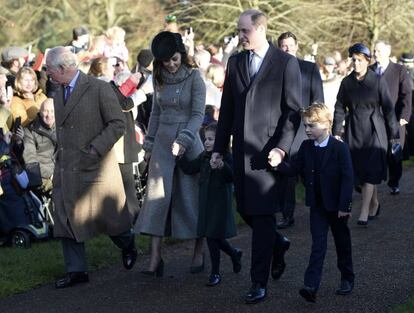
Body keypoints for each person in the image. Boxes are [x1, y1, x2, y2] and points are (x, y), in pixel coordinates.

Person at [211, 9, 302, 304]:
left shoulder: (286, 63)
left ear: (261, 30)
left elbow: (292, 112)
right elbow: (226, 111)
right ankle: (279, 243)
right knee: (246, 211)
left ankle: (258, 281)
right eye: (238, 31)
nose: (240, 36)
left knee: (262, 217)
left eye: (244, 31)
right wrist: (217, 149)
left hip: (268, 153)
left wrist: (281, 148)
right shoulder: (236, 62)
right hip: (240, 153)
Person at [45, 46, 137, 289]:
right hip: (67, 167)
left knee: (110, 221)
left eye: (49, 69)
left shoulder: (98, 88)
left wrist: (96, 149)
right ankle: (77, 271)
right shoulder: (58, 91)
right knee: (66, 217)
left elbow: (118, 124)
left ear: (63, 68)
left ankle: (128, 243)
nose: (47, 74)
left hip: (95, 167)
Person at [135, 31, 206, 276]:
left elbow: (198, 115)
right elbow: (155, 113)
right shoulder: (158, 78)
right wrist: (149, 146)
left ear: (182, 55)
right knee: (156, 199)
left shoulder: (195, 78)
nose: (171, 65)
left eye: (175, 59)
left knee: (191, 198)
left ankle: (199, 251)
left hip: (189, 140)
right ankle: (155, 258)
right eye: (166, 61)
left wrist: (184, 139)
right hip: (163, 143)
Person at [273, 103, 354, 303]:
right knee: (318, 246)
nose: (307, 129)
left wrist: (345, 206)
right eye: (306, 125)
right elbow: (294, 169)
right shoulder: (306, 147)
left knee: (342, 243)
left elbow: (347, 178)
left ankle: (347, 277)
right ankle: (311, 286)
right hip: (317, 206)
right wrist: (278, 165)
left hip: (337, 207)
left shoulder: (339, 148)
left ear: (326, 124)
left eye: (311, 126)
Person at [332, 43, 399, 225]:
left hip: (374, 130)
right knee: (360, 173)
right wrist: (337, 132)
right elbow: (339, 107)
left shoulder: (377, 81)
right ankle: (374, 202)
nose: (356, 63)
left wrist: (394, 134)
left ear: (367, 61)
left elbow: (388, 109)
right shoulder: (346, 83)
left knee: (370, 171)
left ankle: (363, 212)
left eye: (360, 60)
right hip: (354, 130)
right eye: (353, 60)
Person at [178, 122, 242, 287]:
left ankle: (215, 272)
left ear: (221, 141)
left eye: (211, 139)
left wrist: (221, 166)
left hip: (219, 205)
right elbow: (190, 168)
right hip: (206, 204)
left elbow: (231, 176)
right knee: (213, 238)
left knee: (213, 238)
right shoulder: (204, 157)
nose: (206, 142)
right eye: (206, 139)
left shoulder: (225, 156)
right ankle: (234, 254)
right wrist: (179, 155)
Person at [276, 31, 324, 229]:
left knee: (311, 174)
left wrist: (314, 125)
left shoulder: (310, 68)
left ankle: (322, 207)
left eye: (290, 45)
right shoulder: (274, 71)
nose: (287, 49)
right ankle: (287, 215)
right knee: (286, 176)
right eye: (283, 46)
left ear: (297, 46)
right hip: (283, 130)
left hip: (306, 129)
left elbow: (318, 100)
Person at [371, 41, 412, 195]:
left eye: (379, 51)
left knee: (395, 154)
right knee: (375, 152)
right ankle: (371, 181)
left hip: (395, 119)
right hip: (375, 119)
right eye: (374, 51)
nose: (376, 54)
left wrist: (404, 115)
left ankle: (394, 181)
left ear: (388, 52)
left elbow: (406, 94)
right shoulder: (369, 71)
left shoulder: (399, 71)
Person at [22, 98, 56, 193]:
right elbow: (30, 160)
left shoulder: (63, 125)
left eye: (52, 111)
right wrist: (50, 178)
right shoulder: (29, 131)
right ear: (40, 112)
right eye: (45, 111)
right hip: (46, 177)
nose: (49, 115)